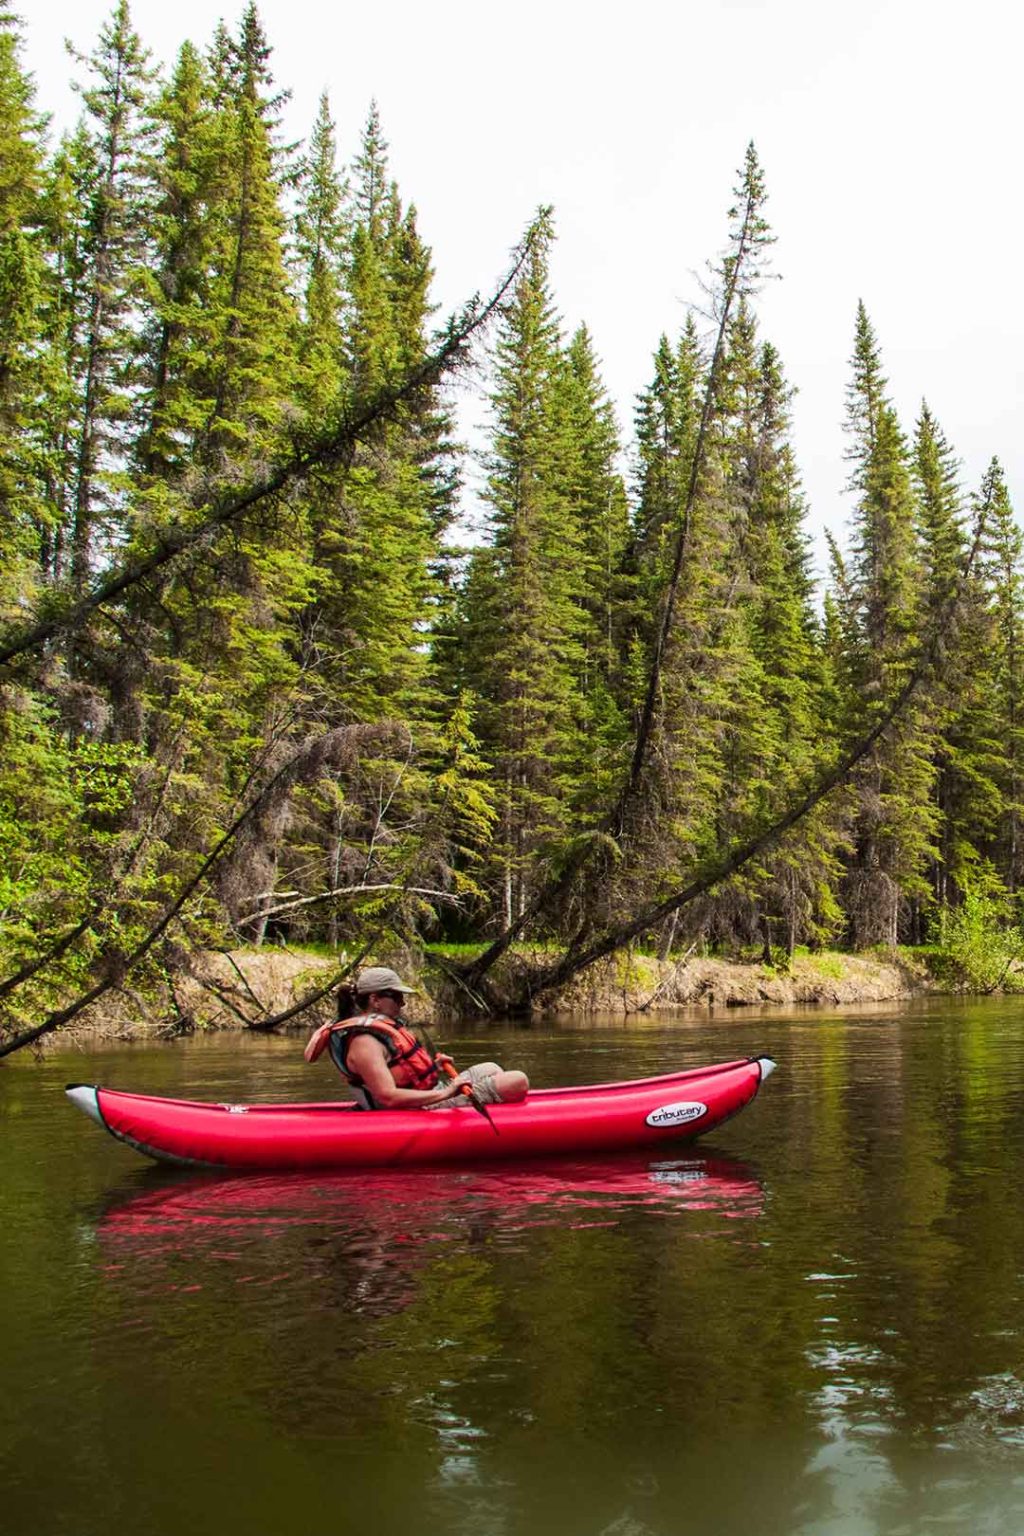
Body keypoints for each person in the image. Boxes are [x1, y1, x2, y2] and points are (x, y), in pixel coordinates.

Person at [303, 966, 529, 1111]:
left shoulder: (374, 1031)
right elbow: (388, 1097)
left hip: (426, 1095)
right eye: (397, 997)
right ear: (375, 1000)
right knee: (518, 1081)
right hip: (413, 1108)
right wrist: (447, 1092)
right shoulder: (364, 1043)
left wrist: (432, 1067)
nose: (402, 1003)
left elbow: (397, 1072)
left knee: (491, 1068)